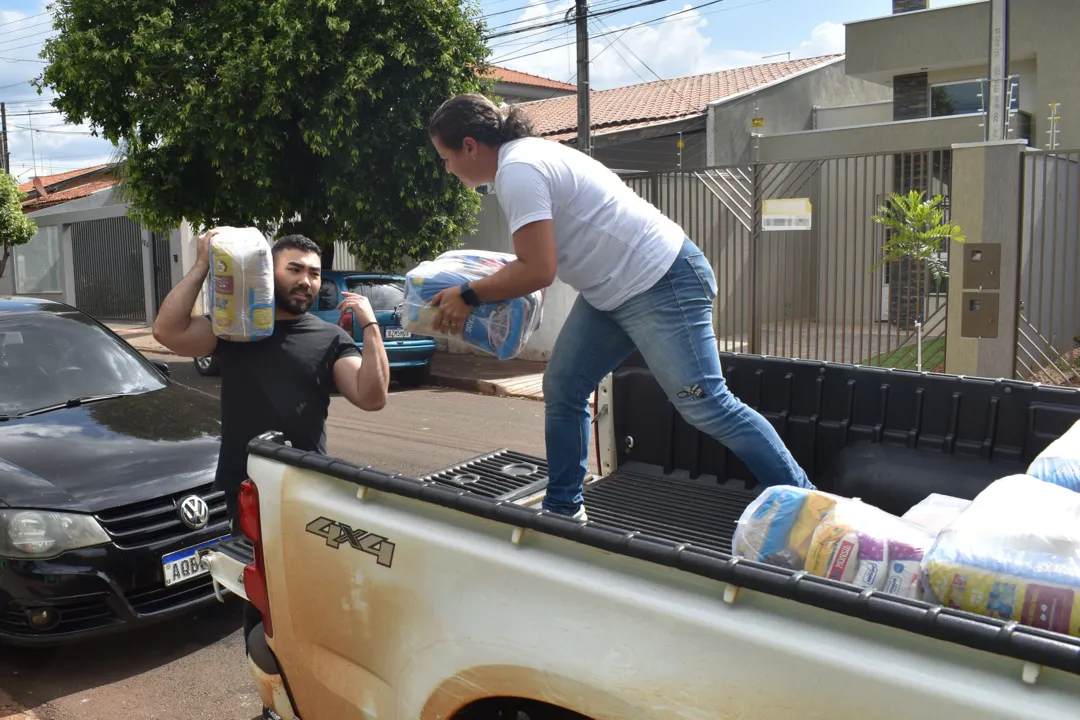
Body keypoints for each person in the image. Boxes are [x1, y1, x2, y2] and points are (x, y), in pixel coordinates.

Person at [427, 93, 814, 520]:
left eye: (445, 157)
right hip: (610, 295)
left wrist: (468, 296)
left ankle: (812, 507)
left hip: (663, 280)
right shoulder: (525, 160)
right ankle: (563, 509)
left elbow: (538, 269)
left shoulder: (518, 169)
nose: (447, 169)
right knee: (564, 386)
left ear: (469, 145)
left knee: (706, 404)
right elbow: (535, 262)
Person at [152, 229, 390, 720]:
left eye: (314, 272)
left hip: (310, 496)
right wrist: (201, 265)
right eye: (295, 269)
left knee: (314, 606)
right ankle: (274, 704)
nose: (306, 280)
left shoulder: (329, 337)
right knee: (260, 606)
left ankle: (311, 699)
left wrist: (368, 326)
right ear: (268, 271)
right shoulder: (235, 330)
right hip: (249, 498)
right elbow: (167, 331)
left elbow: (371, 395)